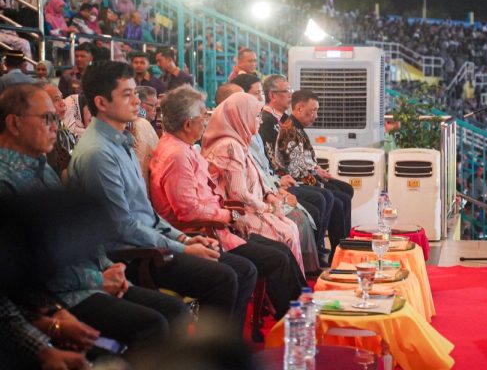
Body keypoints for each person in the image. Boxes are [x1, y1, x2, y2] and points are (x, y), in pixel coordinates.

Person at [0, 84, 190, 357]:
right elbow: (34, 270)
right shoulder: (6, 180)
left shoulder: (43, 169)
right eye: (47, 118)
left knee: (175, 310)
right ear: (14, 123)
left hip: (89, 279)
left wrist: (109, 268)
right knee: (153, 325)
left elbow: (76, 237)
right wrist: (98, 279)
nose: (55, 125)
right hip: (60, 296)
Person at [67, 60, 257, 333]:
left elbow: (146, 212)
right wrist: (183, 248)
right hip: (132, 254)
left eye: (135, 93)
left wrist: (183, 239)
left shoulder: (119, 142)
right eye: (127, 95)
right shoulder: (98, 153)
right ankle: (209, 352)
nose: (137, 101)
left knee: (243, 270)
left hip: (151, 240)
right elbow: (122, 227)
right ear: (101, 102)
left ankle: (222, 348)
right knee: (225, 276)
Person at [150, 85, 305, 320]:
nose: (206, 121)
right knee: (271, 260)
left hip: (219, 225)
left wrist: (233, 214)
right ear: (188, 124)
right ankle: (293, 320)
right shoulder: (177, 155)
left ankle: (300, 312)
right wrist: (230, 216)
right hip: (202, 232)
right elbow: (188, 211)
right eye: (202, 116)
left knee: (280, 252)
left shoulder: (183, 147)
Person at [201, 92, 305, 275]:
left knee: (291, 226)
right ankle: (289, 291)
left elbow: (258, 176)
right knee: (287, 232)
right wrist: (267, 208)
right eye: (256, 115)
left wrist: (269, 195)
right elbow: (238, 193)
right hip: (239, 213)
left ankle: (295, 289)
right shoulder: (229, 146)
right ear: (241, 116)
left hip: (250, 207)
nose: (261, 120)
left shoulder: (239, 141)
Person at [260, 75, 337, 261]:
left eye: (291, 90)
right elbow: (271, 158)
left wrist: (315, 169)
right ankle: (314, 255)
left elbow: (301, 154)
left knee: (334, 193)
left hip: (286, 176)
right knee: (323, 197)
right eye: (286, 91)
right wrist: (280, 179)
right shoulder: (267, 121)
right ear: (272, 95)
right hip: (279, 180)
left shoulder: (284, 119)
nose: (290, 95)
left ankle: (327, 249)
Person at [274, 89, 353, 258]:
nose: (316, 115)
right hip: (293, 181)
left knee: (346, 191)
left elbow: (305, 160)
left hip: (305, 175)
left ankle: (342, 247)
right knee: (336, 199)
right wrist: (319, 182)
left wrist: (317, 169)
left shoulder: (297, 127)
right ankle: (332, 251)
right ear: (299, 108)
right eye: (313, 110)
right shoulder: (290, 130)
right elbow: (296, 171)